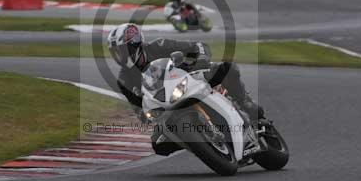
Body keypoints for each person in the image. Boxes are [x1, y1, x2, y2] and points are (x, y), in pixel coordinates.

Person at [107, 23, 265, 123]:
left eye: (121, 50)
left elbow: (198, 46)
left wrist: (200, 57)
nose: (119, 56)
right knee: (159, 146)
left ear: (134, 44)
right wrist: (144, 114)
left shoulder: (159, 45)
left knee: (227, 68)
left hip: (189, 79)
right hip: (166, 104)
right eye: (115, 53)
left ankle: (244, 101)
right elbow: (137, 107)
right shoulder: (124, 79)